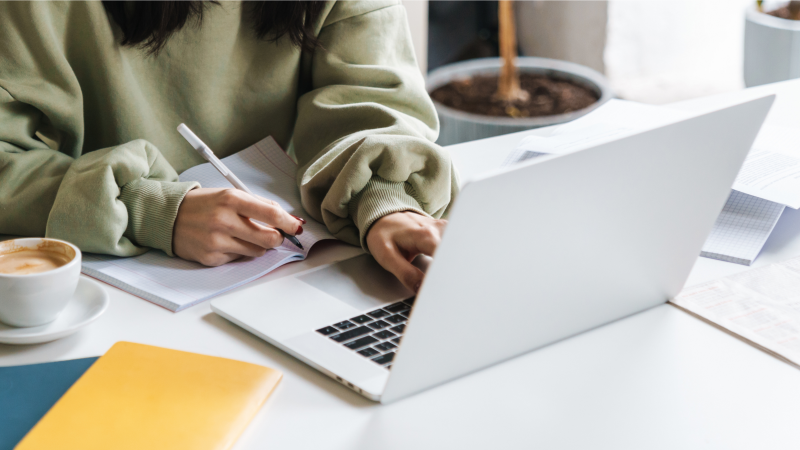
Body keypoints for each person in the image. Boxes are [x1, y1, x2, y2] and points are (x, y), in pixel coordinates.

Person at [0, 0, 458, 293]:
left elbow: (372, 96)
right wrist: (153, 210)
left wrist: (386, 203)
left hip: (289, 278)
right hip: (100, 293)